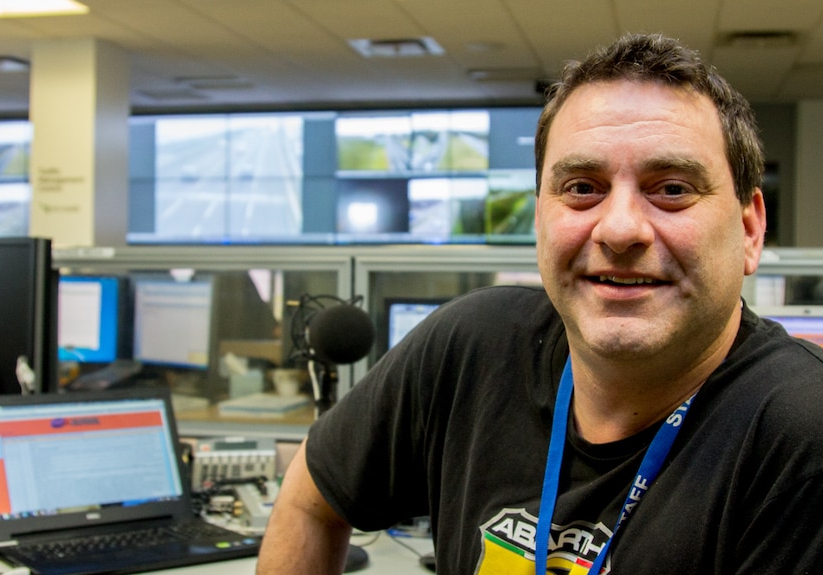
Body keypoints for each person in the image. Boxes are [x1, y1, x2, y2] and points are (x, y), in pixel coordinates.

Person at [257, 32, 823, 574]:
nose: (620, 229)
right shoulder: (470, 346)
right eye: (581, 187)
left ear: (749, 230)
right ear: (539, 221)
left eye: (672, 188)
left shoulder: (798, 434)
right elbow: (310, 500)